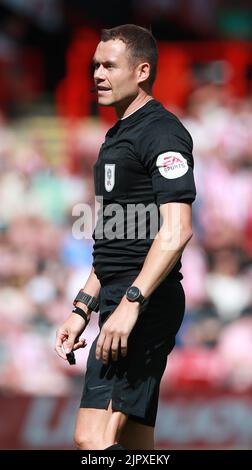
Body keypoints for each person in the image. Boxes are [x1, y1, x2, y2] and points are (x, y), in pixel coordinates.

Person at [55, 24, 196, 450]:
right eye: (95, 65)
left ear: (141, 71)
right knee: (134, 447)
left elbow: (177, 228)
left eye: (109, 65)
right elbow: (116, 239)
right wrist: (83, 306)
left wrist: (131, 304)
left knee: (91, 439)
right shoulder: (116, 137)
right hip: (121, 300)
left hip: (142, 304)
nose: (97, 73)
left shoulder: (162, 132)